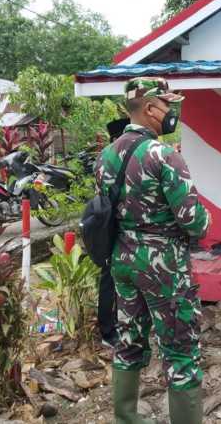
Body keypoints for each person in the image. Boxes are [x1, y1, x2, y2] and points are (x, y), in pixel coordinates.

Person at [95, 77, 210, 424]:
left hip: (123, 260)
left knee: (129, 338)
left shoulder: (106, 155)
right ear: (148, 108)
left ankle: (127, 419)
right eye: (167, 104)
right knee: (180, 349)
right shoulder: (164, 155)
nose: (172, 111)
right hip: (163, 266)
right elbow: (194, 222)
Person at [95, 117, 130, 348]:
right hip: (118, 226)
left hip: (105, 224)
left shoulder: (103, 157)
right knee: (110, 279)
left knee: (110, 277)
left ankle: (111, 328)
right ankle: (108, 330)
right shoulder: (120, 158)